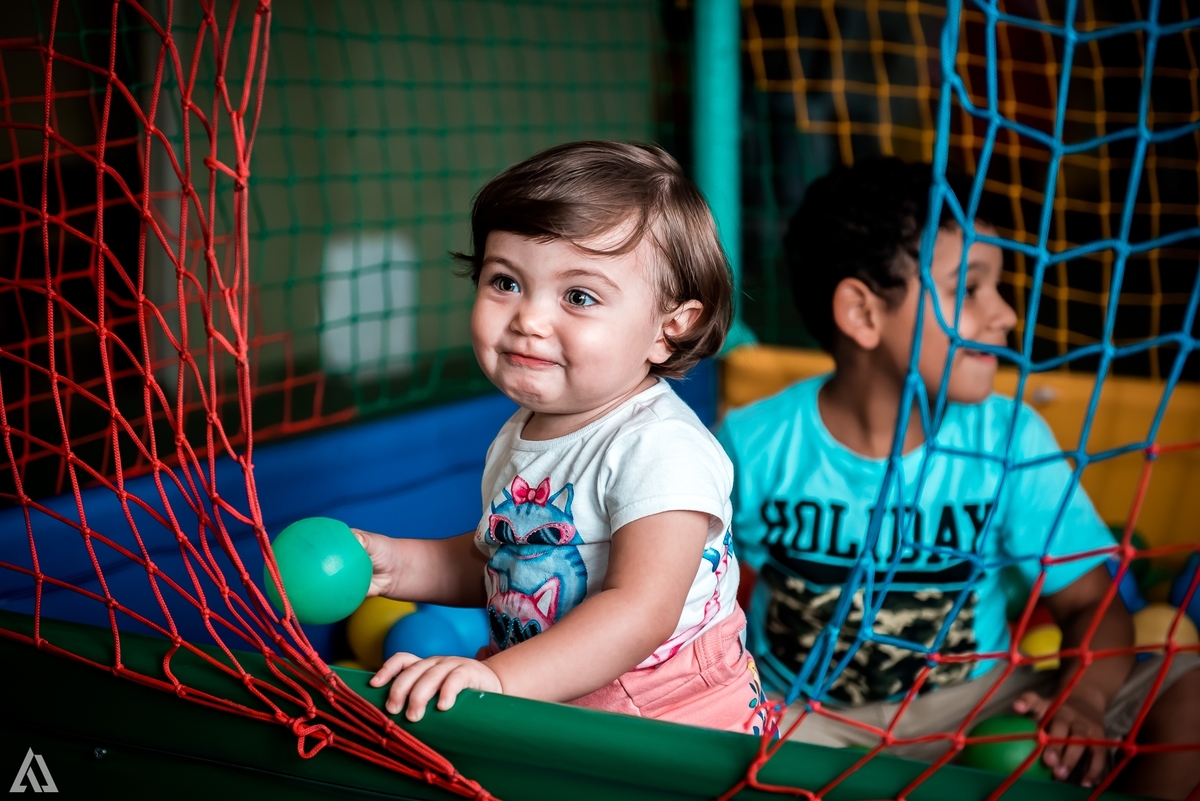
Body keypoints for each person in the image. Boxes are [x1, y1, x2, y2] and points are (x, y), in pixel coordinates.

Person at [716, 157, 1200, 797]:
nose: (1004, 316)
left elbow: (1093, 602)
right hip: (801, 717)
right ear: (862, 314)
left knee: (1186, 683)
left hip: (974, 710)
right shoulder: (754, 442)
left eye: (998, 288)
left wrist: (1082, 699)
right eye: (969, 289)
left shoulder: (1009, 436)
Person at [353, 141, 769, 735]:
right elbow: (504, 564)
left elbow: (640, 610)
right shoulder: (523, 433)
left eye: (579, 296)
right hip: (552, 701)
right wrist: (392, 567)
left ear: (669, 328)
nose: (529, 319)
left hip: (669, 726)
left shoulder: (661, 449)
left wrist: (500, 680)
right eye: (506, 282)